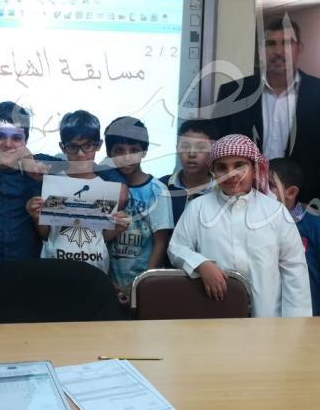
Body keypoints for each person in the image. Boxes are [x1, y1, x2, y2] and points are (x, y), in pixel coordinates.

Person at [212, 16, 320, 225]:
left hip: (304, 213)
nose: (279, 51)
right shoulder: (232, 93)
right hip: (238, 208)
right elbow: (217, 150)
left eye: (287, 43)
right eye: (270, 43)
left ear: (299, 49)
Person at [168, 134, 312, 317]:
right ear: (213, 172)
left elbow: (294, 269)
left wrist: (295, 323)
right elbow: (176, 247)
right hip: (213, 314)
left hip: (267, 317)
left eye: (239, 165)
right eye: (222, 167)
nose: (231, 173)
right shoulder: (198, 207)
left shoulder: (275, 211)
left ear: (255, 169)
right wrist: (200, 264)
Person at [26, 111, 128, 274]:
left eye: (87, 146)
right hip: (55, 266)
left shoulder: (106, 188)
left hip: (95, 268)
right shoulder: (53, 183)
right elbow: (46, 234)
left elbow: (101, 235)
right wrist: (36, 216)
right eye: (73, 147)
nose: (80, 154)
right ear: (63, 147)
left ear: (98, 145)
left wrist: (117, 228)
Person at [0, 101, 56, 286]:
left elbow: (86, 169)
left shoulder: (40, 170)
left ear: (26, 140)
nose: (8, 144)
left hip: (27, 272)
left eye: (16, 138)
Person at [104, 116, 174, 298]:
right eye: (119, 150)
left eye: (134, 150)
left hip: (144, 284)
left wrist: (143, 284)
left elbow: (161, 242)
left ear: (144, 152)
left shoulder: (157, 190)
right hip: (107, 283)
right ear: (109, 152)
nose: (127, 157)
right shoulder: (102, 186)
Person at [269, 157, 320, 316]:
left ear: (291, 192)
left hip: (307, 313)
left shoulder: (315, 225)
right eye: (259, 184)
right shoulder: (256, 222)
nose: (262, 190)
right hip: (268, 310)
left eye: (270, 185)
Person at [159, 119, 217, 225]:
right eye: (185, 147)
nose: (191, 153)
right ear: (177, 148)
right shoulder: (160, 186)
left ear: (213, 150)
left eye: (200, 147)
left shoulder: (221, 189)